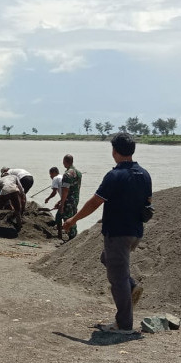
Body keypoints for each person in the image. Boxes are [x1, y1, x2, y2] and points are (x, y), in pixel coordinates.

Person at [63, 133, 152, 334]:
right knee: (109, 260)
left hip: (118, 232)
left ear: (114, 151)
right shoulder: (144, 174)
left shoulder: (114, 175)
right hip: (136, 231)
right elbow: (148, 203)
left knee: (117, 278)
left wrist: (72, 220)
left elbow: (95, 202)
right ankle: (131, 286)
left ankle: (124, 325)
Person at [55, 154, 82, 240]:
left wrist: (62, 204)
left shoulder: (67, 174)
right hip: (75, 199)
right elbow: (76, 188)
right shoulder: (78, 173)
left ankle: (72, 238)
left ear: (64, 162)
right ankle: (71, 237)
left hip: (68, 200)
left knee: (68, 219)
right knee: (72, 217)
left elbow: (65, 190)